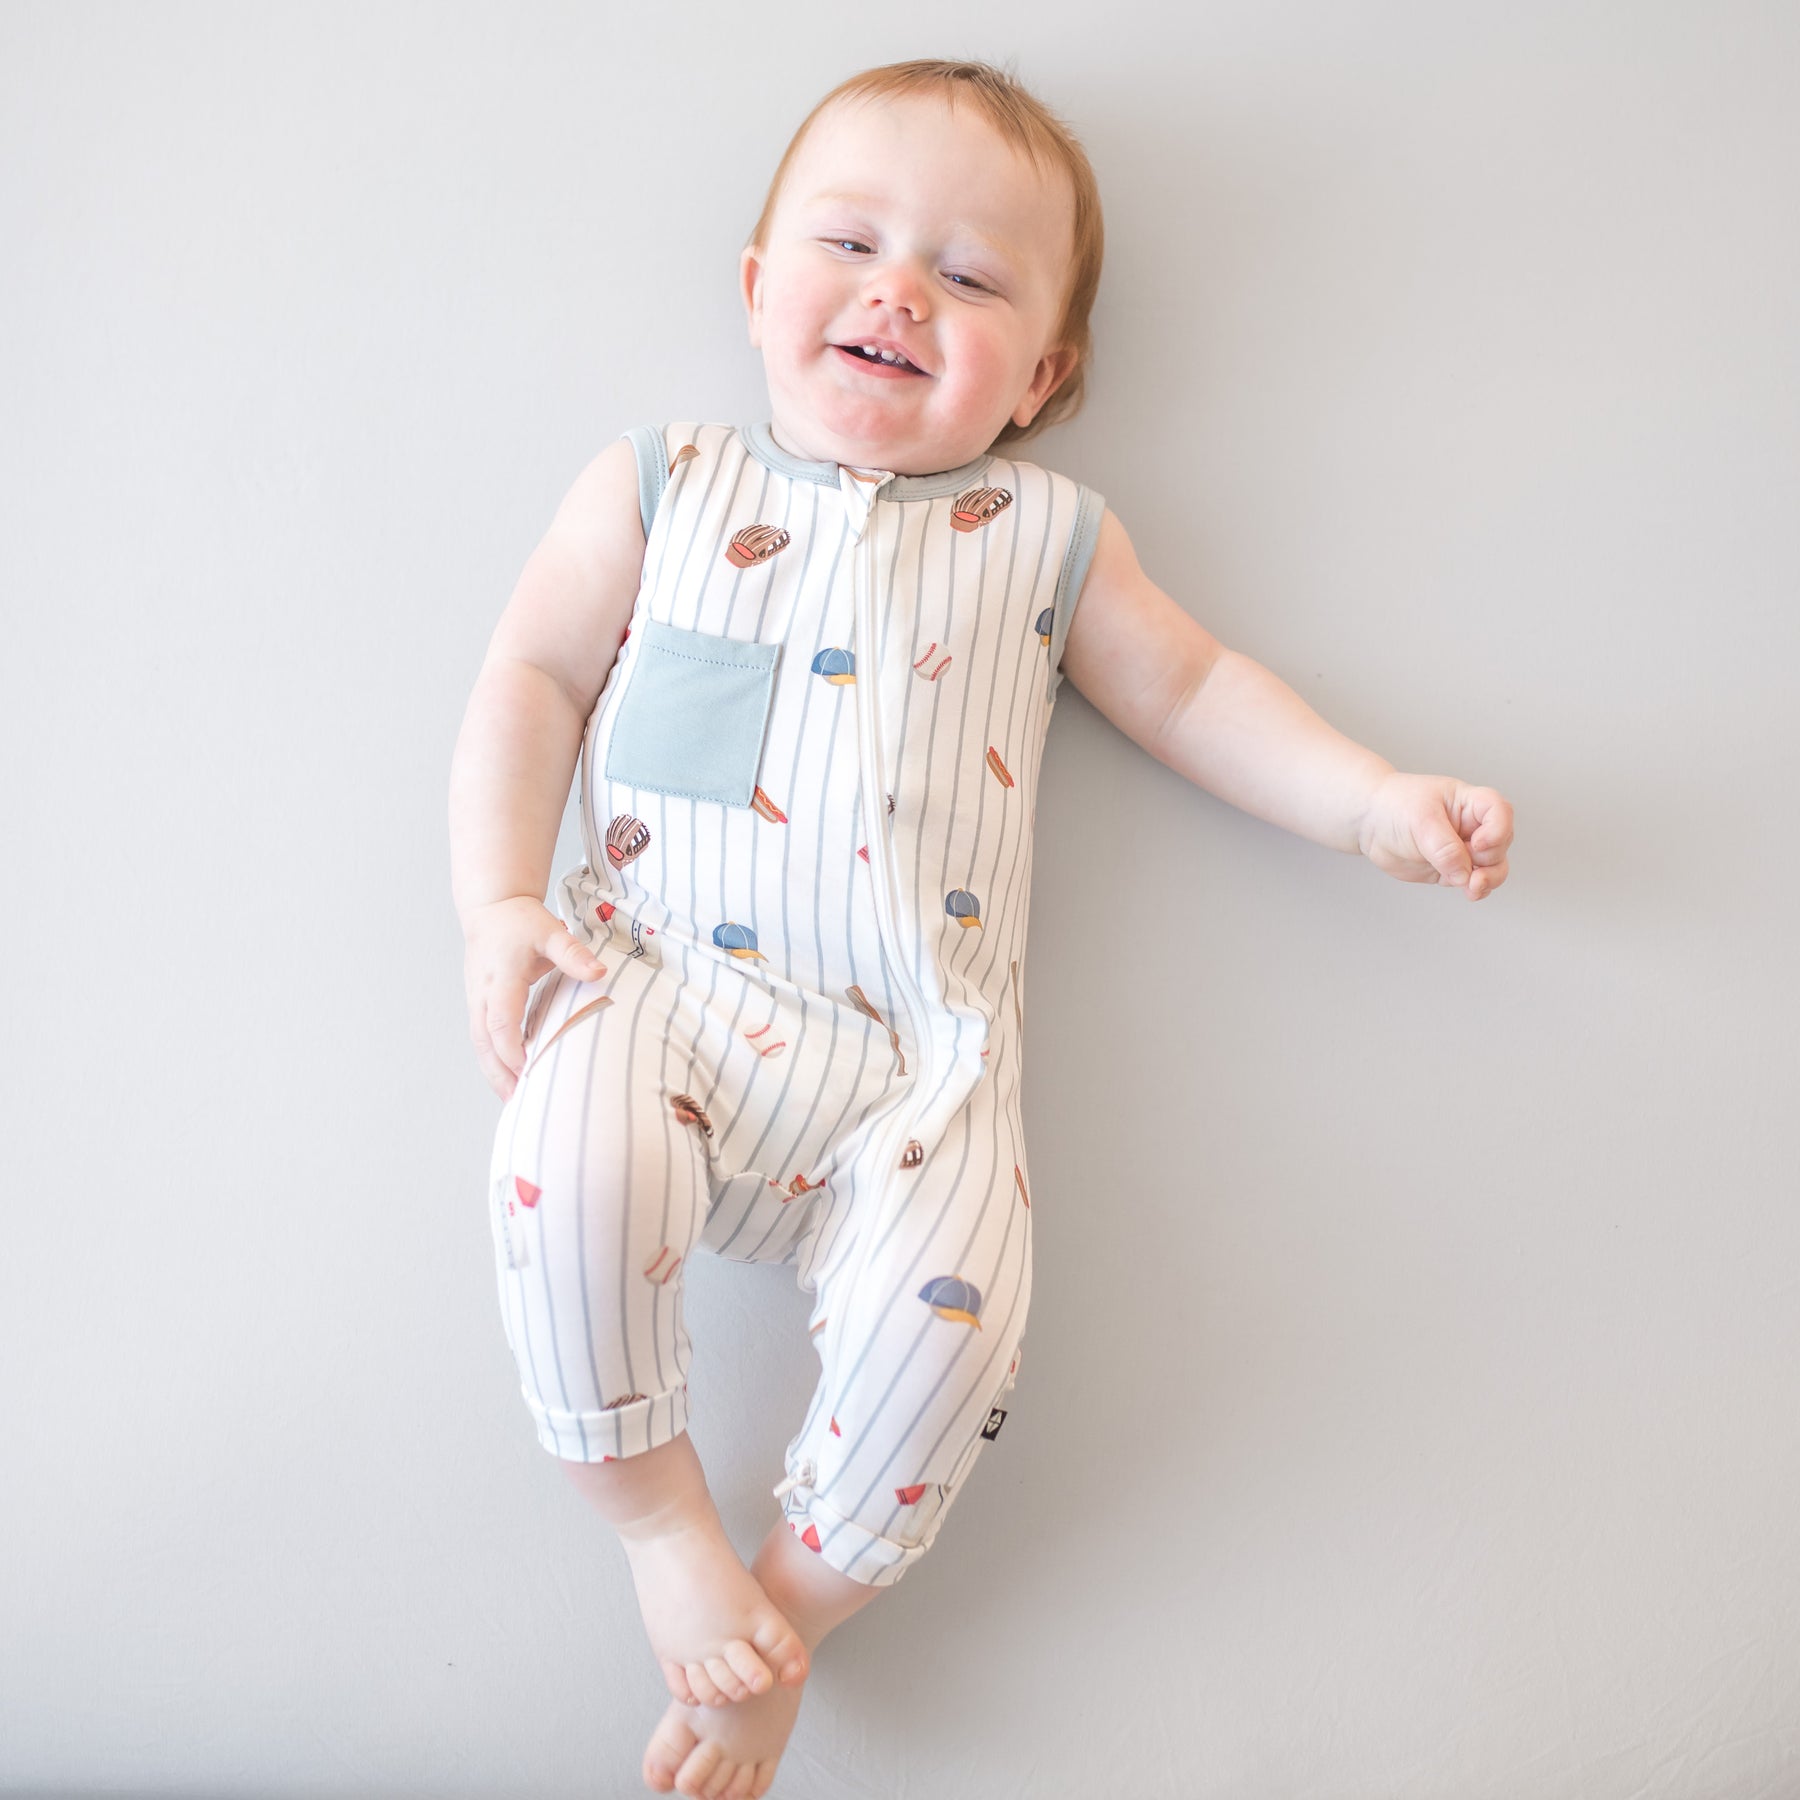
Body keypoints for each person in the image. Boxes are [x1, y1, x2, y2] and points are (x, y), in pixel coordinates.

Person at [447, 56, 1514, 1800]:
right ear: (756, 285)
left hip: (918, 1070)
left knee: (965, 1329)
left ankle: (785, 1620)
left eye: (971, 275)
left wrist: (1371, 800)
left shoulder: (1047, 537)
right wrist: (498, 901)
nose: (898, 289)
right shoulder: (665, 485)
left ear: (1048, 374)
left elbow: (1192, 689)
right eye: (851, 242)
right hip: (662, 994)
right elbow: (532, 680)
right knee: (560, 1154)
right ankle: (658, 1525)